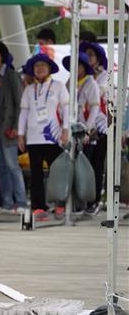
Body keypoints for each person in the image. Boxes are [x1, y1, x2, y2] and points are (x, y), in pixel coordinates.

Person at [17, 53, 70, 221]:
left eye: (43, 65)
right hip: (33, 137)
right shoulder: (28, 89)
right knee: (36, 173)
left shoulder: (59, 86)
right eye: (36, 66)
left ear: (49, 69)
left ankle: (60, 204)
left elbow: (66, 110)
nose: (39, 68)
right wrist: (20, 134)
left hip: (53, 136)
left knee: (57, 172)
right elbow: (24, 113)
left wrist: (65, 130)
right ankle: (39, 206)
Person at [0, 41, 28, 214]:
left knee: (12, 165)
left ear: (3, 56)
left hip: (8, 127)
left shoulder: (11, 76)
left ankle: (21, 202)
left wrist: (17, 126)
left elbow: (19, 102)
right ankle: (7, 203)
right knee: (0, 166)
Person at [64, 50, 107, 215]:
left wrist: (88, 130)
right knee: (75, 165)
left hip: (92, 131)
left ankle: (91, 201)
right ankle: (76, 201)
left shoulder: (91, 83)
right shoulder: (70, 83)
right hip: (74, 130)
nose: (75, 68)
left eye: (78, 65)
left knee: (90, 166)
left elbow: (95, 108)